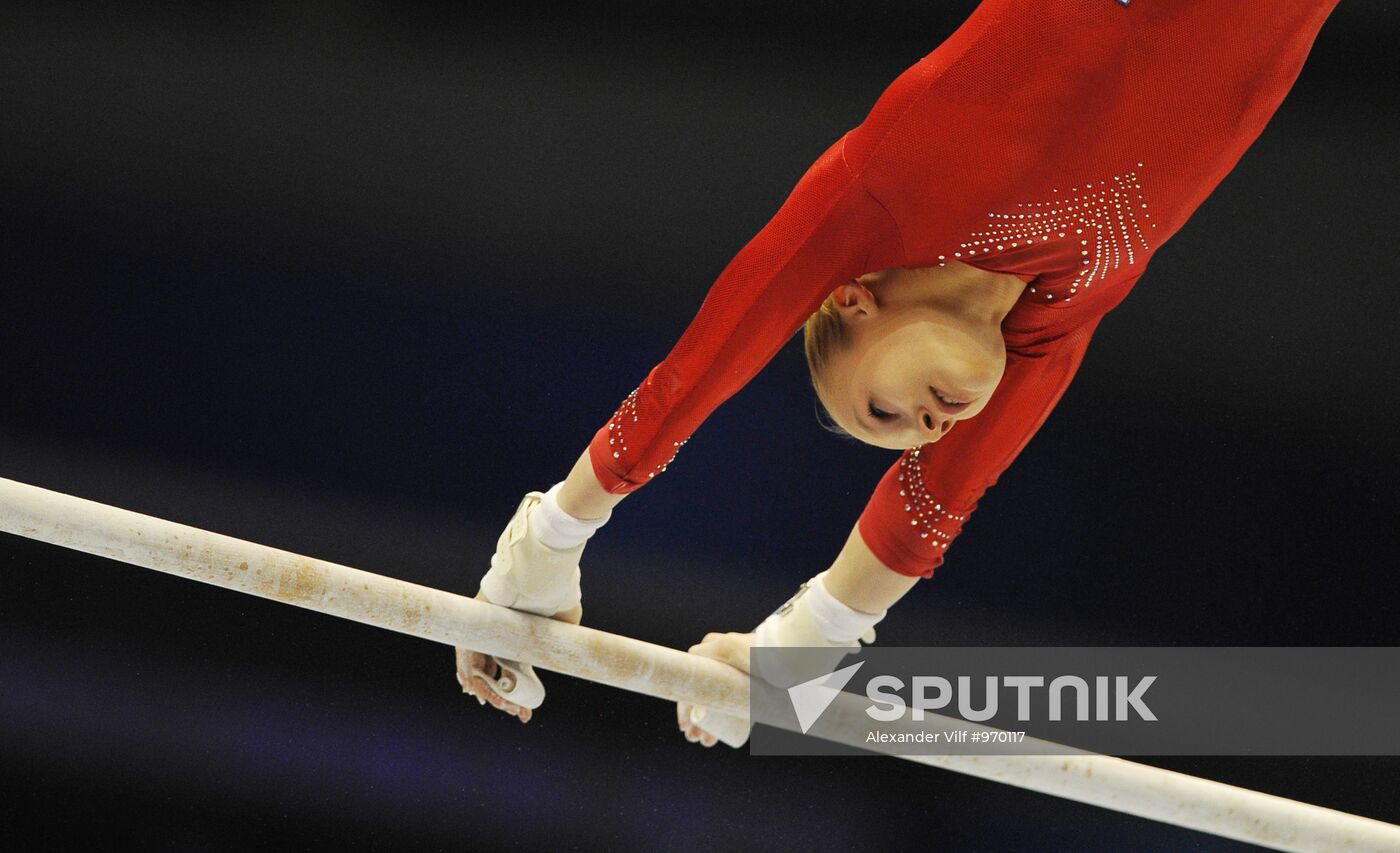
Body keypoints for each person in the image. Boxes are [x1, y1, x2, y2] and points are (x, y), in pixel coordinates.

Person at [453, 0, 1341, 746]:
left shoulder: (884, 193)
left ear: (853, 301)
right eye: (916, 433)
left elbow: (702, 367)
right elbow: (934, 504)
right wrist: (809, 643)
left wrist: (550, 541)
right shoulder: (1058, 315)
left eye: (880, 409)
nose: (928, 429)